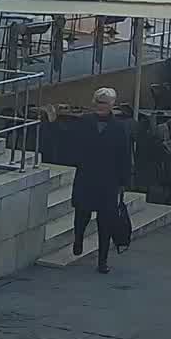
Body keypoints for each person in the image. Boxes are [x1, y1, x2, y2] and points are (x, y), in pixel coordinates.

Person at [71, 88, 131, 273]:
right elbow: (73, 143)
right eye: (98, 102)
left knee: (105, 222)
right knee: (82, 213)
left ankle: (102, 261)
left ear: (112, 105)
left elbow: (125, 155)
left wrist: (124, 181)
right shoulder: (84, 122)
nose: (100, 106)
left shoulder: (119, 128)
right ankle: (78, 238)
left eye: (104, 103)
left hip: (108, 180)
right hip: (87, 176)